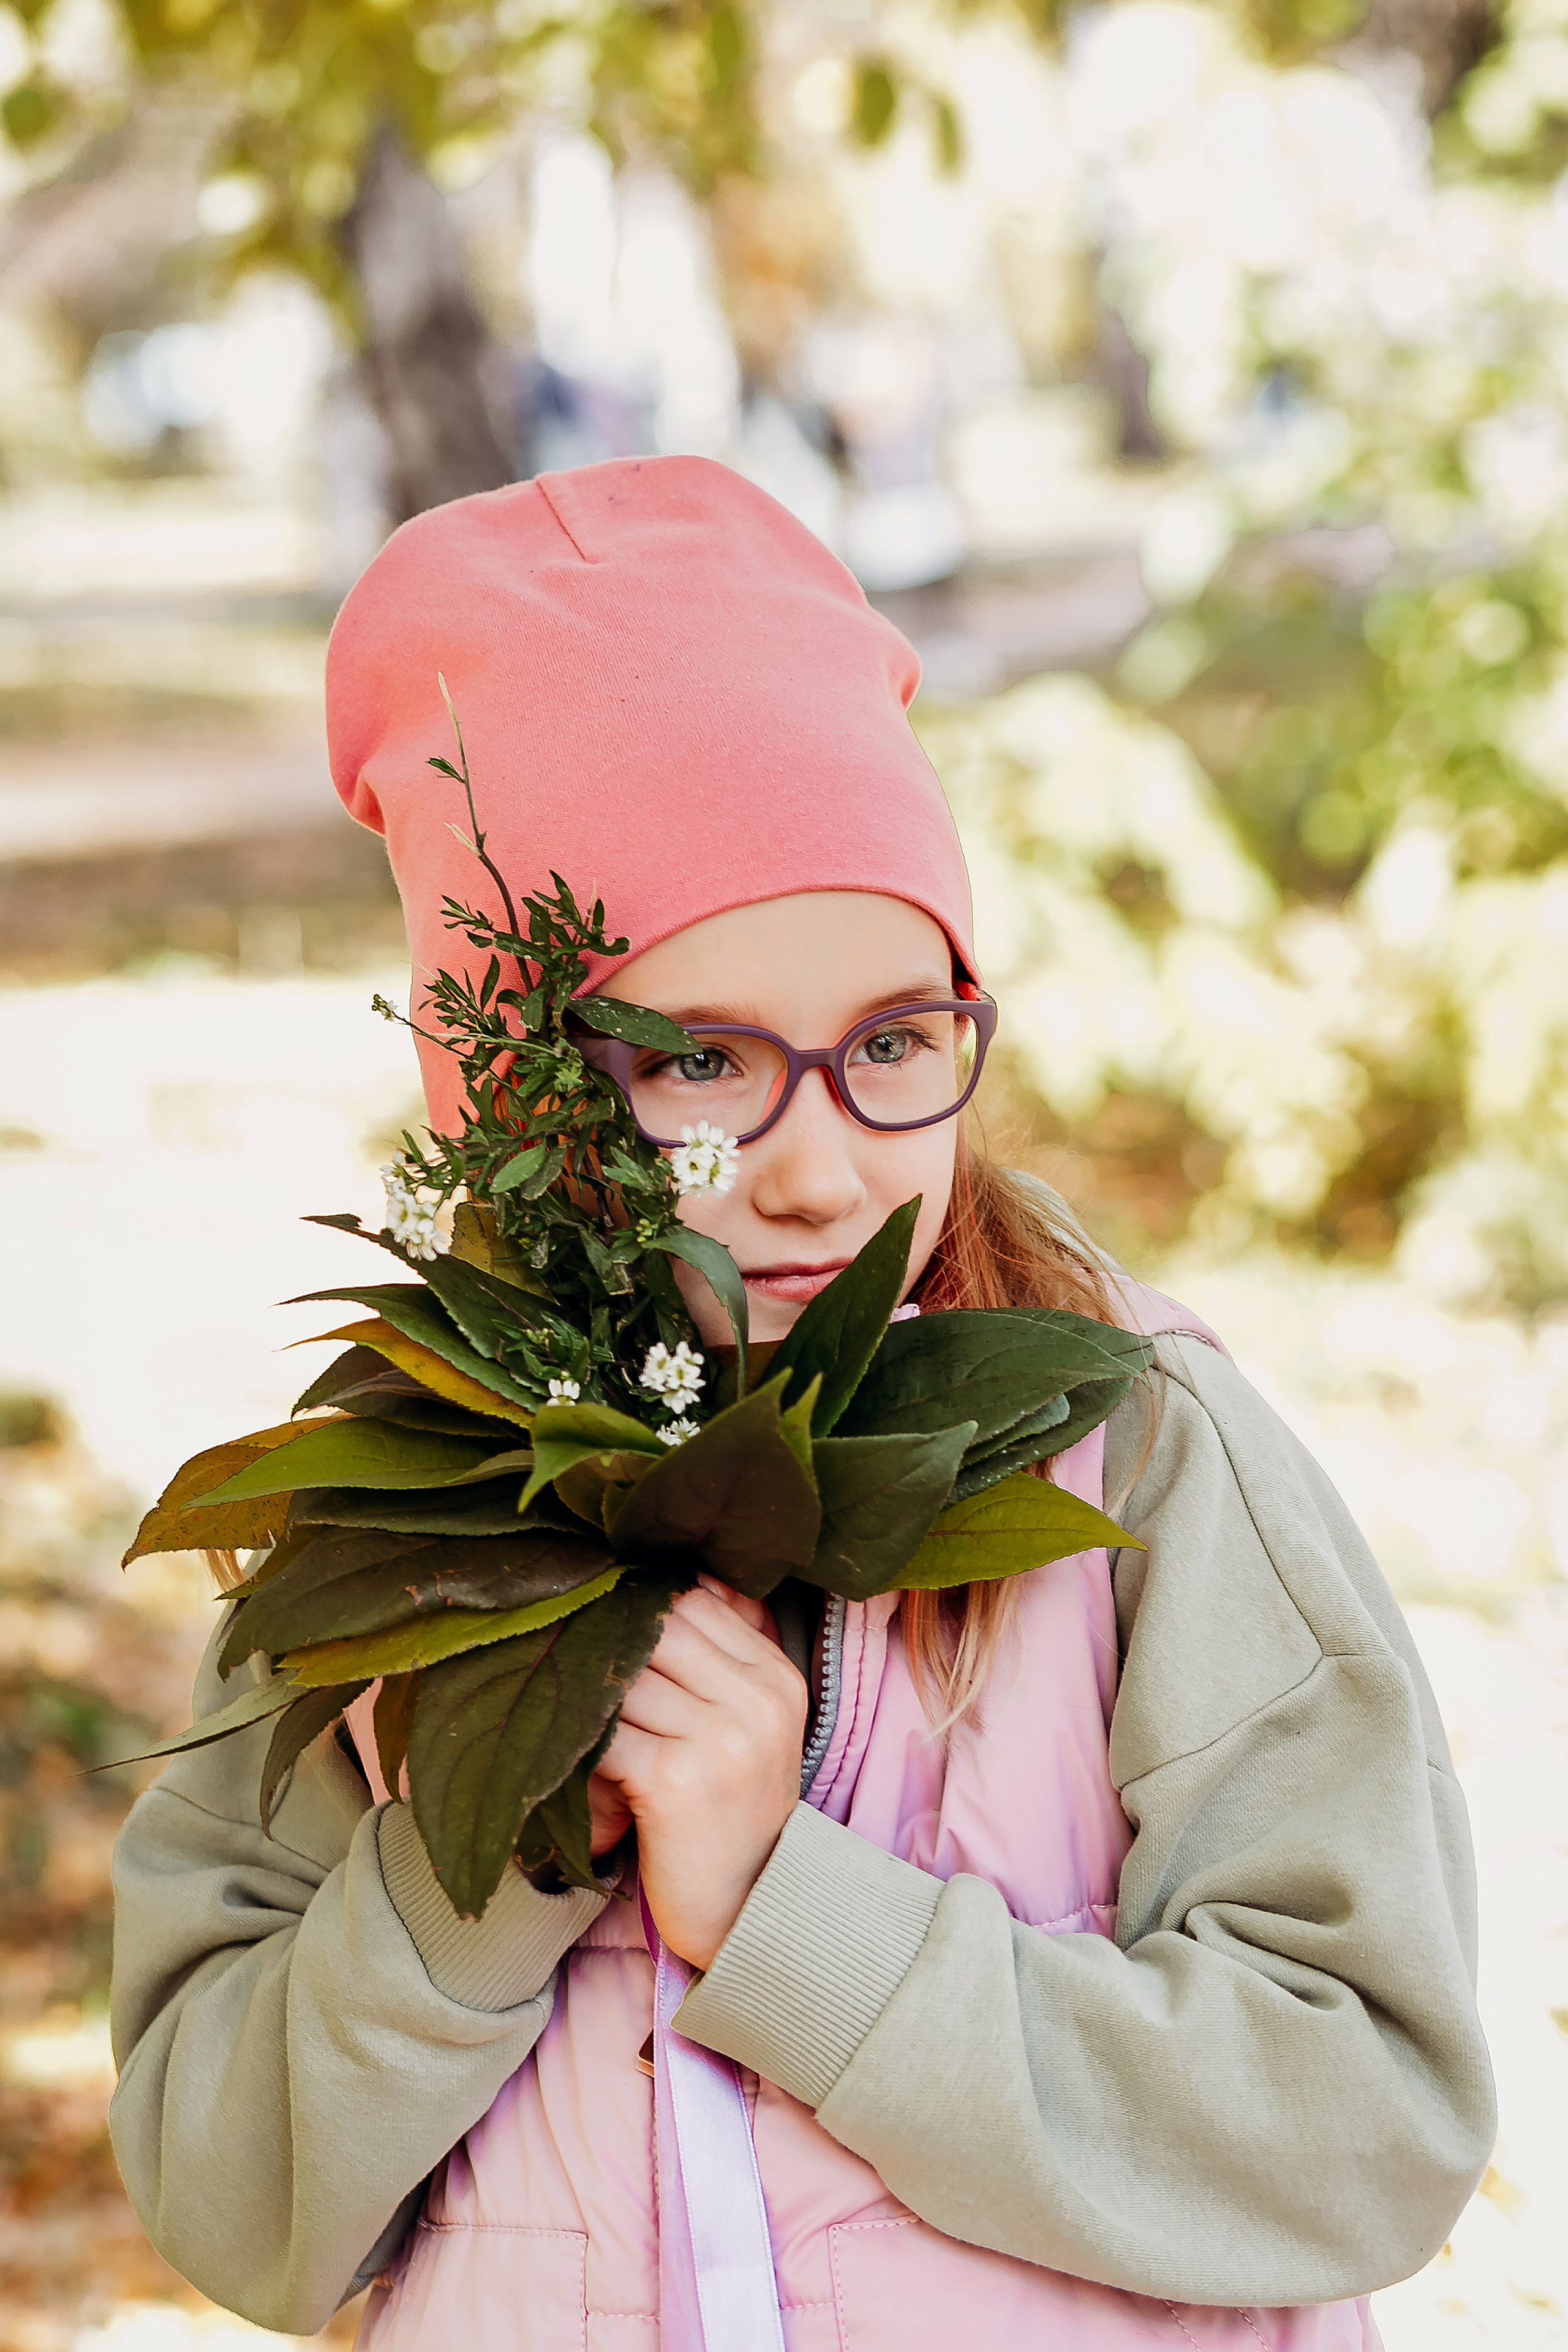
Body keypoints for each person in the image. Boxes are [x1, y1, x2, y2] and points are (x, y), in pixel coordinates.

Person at [108, 458, 1494, 2352]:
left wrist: (794, 1913)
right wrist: (480, 1865)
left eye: (895, 1045)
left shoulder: (1139, 1448)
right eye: (699, 1063)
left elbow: (1367, 2126)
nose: (822, 1174)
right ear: (504, 1099)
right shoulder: (392, 1520)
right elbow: (233, 2207)